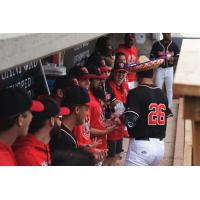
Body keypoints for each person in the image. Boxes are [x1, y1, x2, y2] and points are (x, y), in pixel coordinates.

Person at [120, 56, 170, 166]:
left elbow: (130, 122)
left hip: (141, 147)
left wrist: (120, 115)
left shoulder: (136, 93)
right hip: (159, 148)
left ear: (138, 76)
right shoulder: (162, 94)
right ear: (152, 74)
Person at [69, 65, 107, 162]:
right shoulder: (71, 108)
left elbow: (86, 129)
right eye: (83, 79)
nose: (88, 82)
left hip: (89, 152)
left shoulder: (86, 102)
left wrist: (92, 149)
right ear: (74, 81)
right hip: (79, 157)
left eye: (89, 79)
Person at [0, 87, 44, 166]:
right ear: (20, 120)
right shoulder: (3, 161)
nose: (32, 117)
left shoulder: (7, 145)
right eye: (30, 112)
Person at [13, 98, 61, 166]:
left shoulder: (43, 146)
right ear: (52, 120)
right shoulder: (27, 156)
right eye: (60, 118)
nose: (61, 123)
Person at [87, 65, 118, 155]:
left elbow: (96, 121)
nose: (101, 82)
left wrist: (106, 122)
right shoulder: (87, 101)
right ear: (90, 81)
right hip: (92, 149)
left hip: (100, 146)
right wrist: (105, 131)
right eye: (98, 79)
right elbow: (85, 129)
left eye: (102, 79)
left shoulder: (95, 96)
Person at [50, 85, 90, 154]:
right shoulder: (65, 140)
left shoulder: (61, 130)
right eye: (86, 109)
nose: (87, 113)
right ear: (77, 110)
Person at [105, 60, 130, 161]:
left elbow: (128, 100)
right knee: (110, 157)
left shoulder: (124, 85)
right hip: (111, 126)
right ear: (113, 72)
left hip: (120, 125)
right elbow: (115, 103)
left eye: (123, 73)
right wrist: (129, 106)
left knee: (118, 153)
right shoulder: (108, 85)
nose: (121, 76)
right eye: (119, 72)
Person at [150, 33, 179, 116]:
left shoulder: (174, 45)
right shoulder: (156, 45)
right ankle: (157, 108)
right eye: (166, 32)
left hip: (170, 69)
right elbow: (151, 56)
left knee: (169, 90)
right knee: (158, 89)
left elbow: (178, 56)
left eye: (169, 32)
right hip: (159, 69)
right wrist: (156, 61)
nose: (168, 34)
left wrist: (174, 59)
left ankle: (168, 109)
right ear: (163, 33)